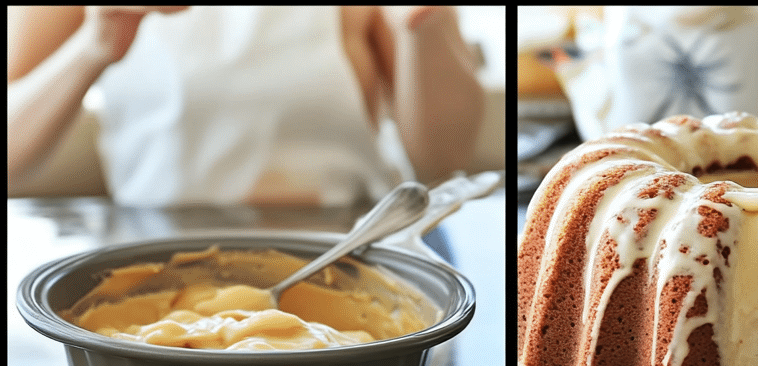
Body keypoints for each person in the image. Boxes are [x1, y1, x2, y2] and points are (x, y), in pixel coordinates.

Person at [8, 5, 484, 205]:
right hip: (146, 271)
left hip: (349, 261)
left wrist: (426, 24)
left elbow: (444, 161)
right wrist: (95, 44)